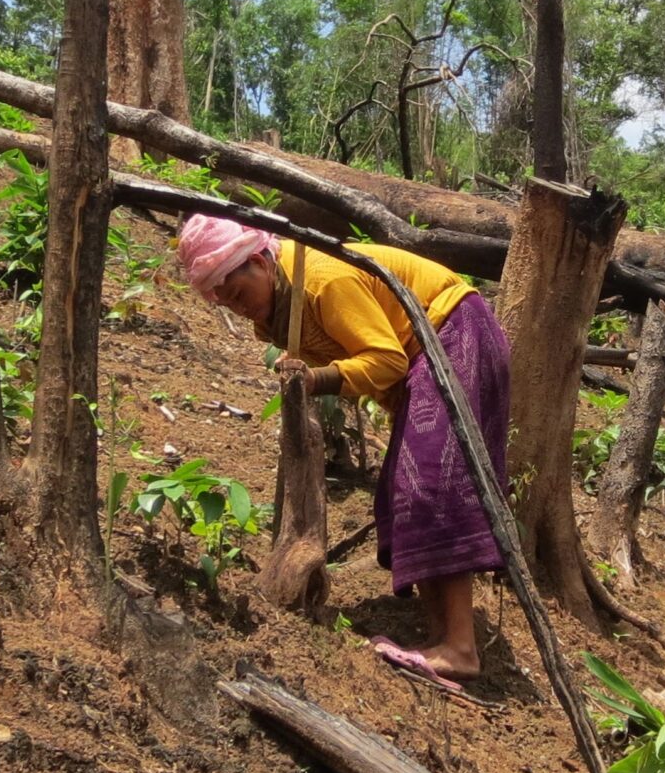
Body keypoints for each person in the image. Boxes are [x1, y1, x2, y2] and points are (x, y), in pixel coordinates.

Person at [178, 214, 510, 689]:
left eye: (238, 293)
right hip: (424, 357)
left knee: (432, 482)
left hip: (453, 332)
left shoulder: (323, 280)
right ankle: (440, 638)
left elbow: (387, 358)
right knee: (404, 488)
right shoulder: (280, 309)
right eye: (226, 302)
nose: (238, 308)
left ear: (260, 263)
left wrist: (318, 378)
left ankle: (460, 648)